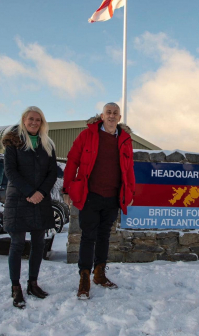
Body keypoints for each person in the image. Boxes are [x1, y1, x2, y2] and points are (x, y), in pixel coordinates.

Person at [63, 102, 135, 300]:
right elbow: (72, 161)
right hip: (90, 195)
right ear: (102, 116)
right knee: (88, 236)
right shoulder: (87, 135)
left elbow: (129, 169)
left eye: (115, 113)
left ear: (119, 118)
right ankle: (84, 277)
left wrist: (130, 192)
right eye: (108, 113)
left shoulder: (125, 139)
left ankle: (99, 274)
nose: (111, 116)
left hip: (112, 196)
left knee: (104, 236)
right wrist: (66, 188)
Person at [2, 106, 57, 309]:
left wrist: (40, 192)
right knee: (17, 244)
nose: (34, 122)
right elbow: (10, 171)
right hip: (19, 200)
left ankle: (33, 283)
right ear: (24, 120)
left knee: (38, 244)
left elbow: (52, 172)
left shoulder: (47, 144)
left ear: (42, 122)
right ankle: (16, 287)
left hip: (40, 200)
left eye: (38, 119)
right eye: (31, 119)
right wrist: (29, 192)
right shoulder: (13, 143)